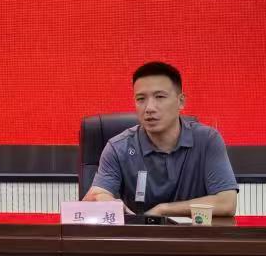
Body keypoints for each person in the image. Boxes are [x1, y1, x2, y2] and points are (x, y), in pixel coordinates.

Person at [83, 61, 238, 217]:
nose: (149, 108)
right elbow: (95, 196)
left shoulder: (207, 140)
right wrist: (104, 199)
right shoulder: (118, 147)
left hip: (192, 231)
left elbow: (226, 203)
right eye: (141, 99)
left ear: (181, 101)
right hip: (140, 232)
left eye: (160, 97)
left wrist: (163, 210)